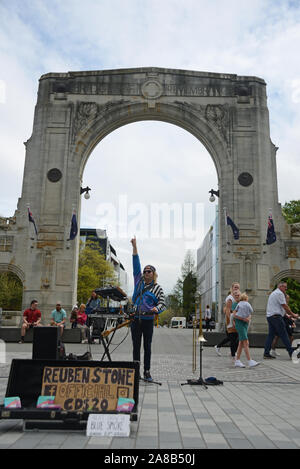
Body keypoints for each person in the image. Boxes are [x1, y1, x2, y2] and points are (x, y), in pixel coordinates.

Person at [130, 237, 166, 382]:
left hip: (148, 320)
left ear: (154, 274)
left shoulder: (157, 288)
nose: (146, 273)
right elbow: (135, 264)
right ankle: (135, 371)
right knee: (136, 347)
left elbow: (163, 302)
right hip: (135, 319)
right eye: (145, 271)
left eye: (149, 271)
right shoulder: (138, 282)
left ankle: (147, 371)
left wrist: (157, 308)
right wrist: (134, 246)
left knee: (147, 347)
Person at [264, 282, 299, 359]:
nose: (286, 288)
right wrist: (293, 315)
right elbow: (285, 306)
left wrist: (287, 315)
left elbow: (278, 308)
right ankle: (292, 353)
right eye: (285, 287)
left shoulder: (274, 293)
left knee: (271, 335)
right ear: (280, 286)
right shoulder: (279, 294)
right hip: (276, 318)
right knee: (284, 335)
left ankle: (266, 353)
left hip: (270, 317)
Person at [233, 293, 259, 368]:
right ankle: (249, 360)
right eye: (236, 295)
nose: (237, 296)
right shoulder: (236, 304)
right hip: (240, 324)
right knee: (245, 341)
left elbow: (250, 313)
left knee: (241, 342)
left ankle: (237, 360)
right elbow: (234, 315)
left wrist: (248, 318)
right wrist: (244, 319)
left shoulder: (240, 304)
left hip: (244, 324)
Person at [215, 283, 240, 357]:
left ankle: (219, 346)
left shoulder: (237, 296)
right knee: (232, 337)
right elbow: (227, 310)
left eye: (238, 287)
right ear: (232, 288)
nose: (236, 288)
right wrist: (230, 321)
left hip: (235, 318)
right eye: (235, 287)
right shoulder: (230, 298)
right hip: (231, 319)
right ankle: (233, 354)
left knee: (233, 337)